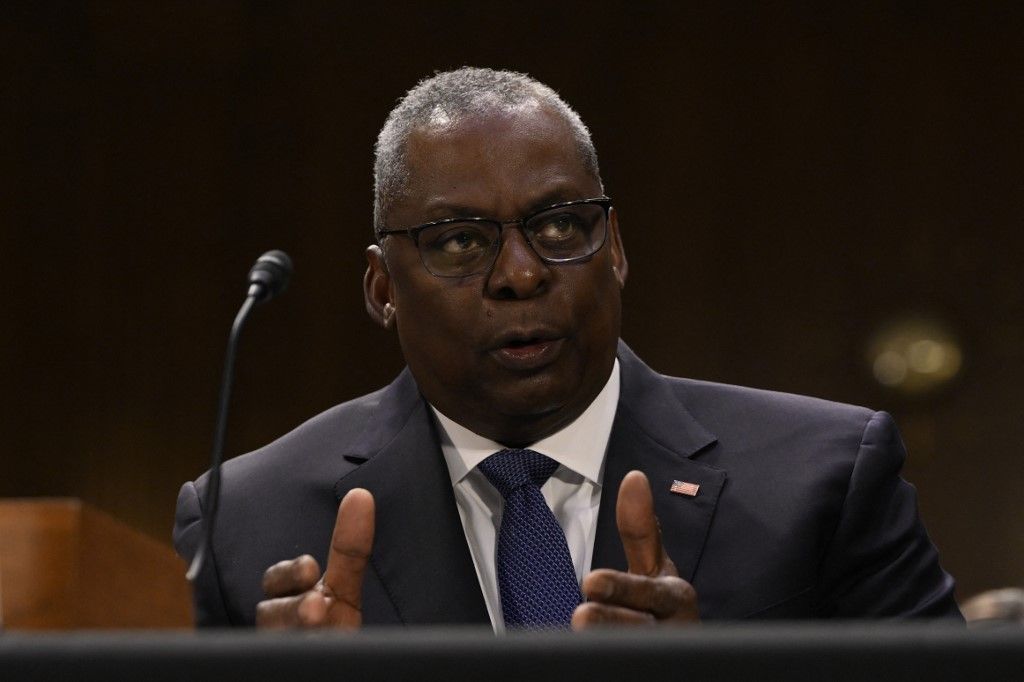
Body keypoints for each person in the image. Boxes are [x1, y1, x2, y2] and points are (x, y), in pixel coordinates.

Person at [174, 67, 962, 629]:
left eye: (560, 225)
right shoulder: (247, 525)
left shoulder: (822, 481)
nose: (520, 273)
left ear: (614, 247)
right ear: (382, 289)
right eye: (457, 241)